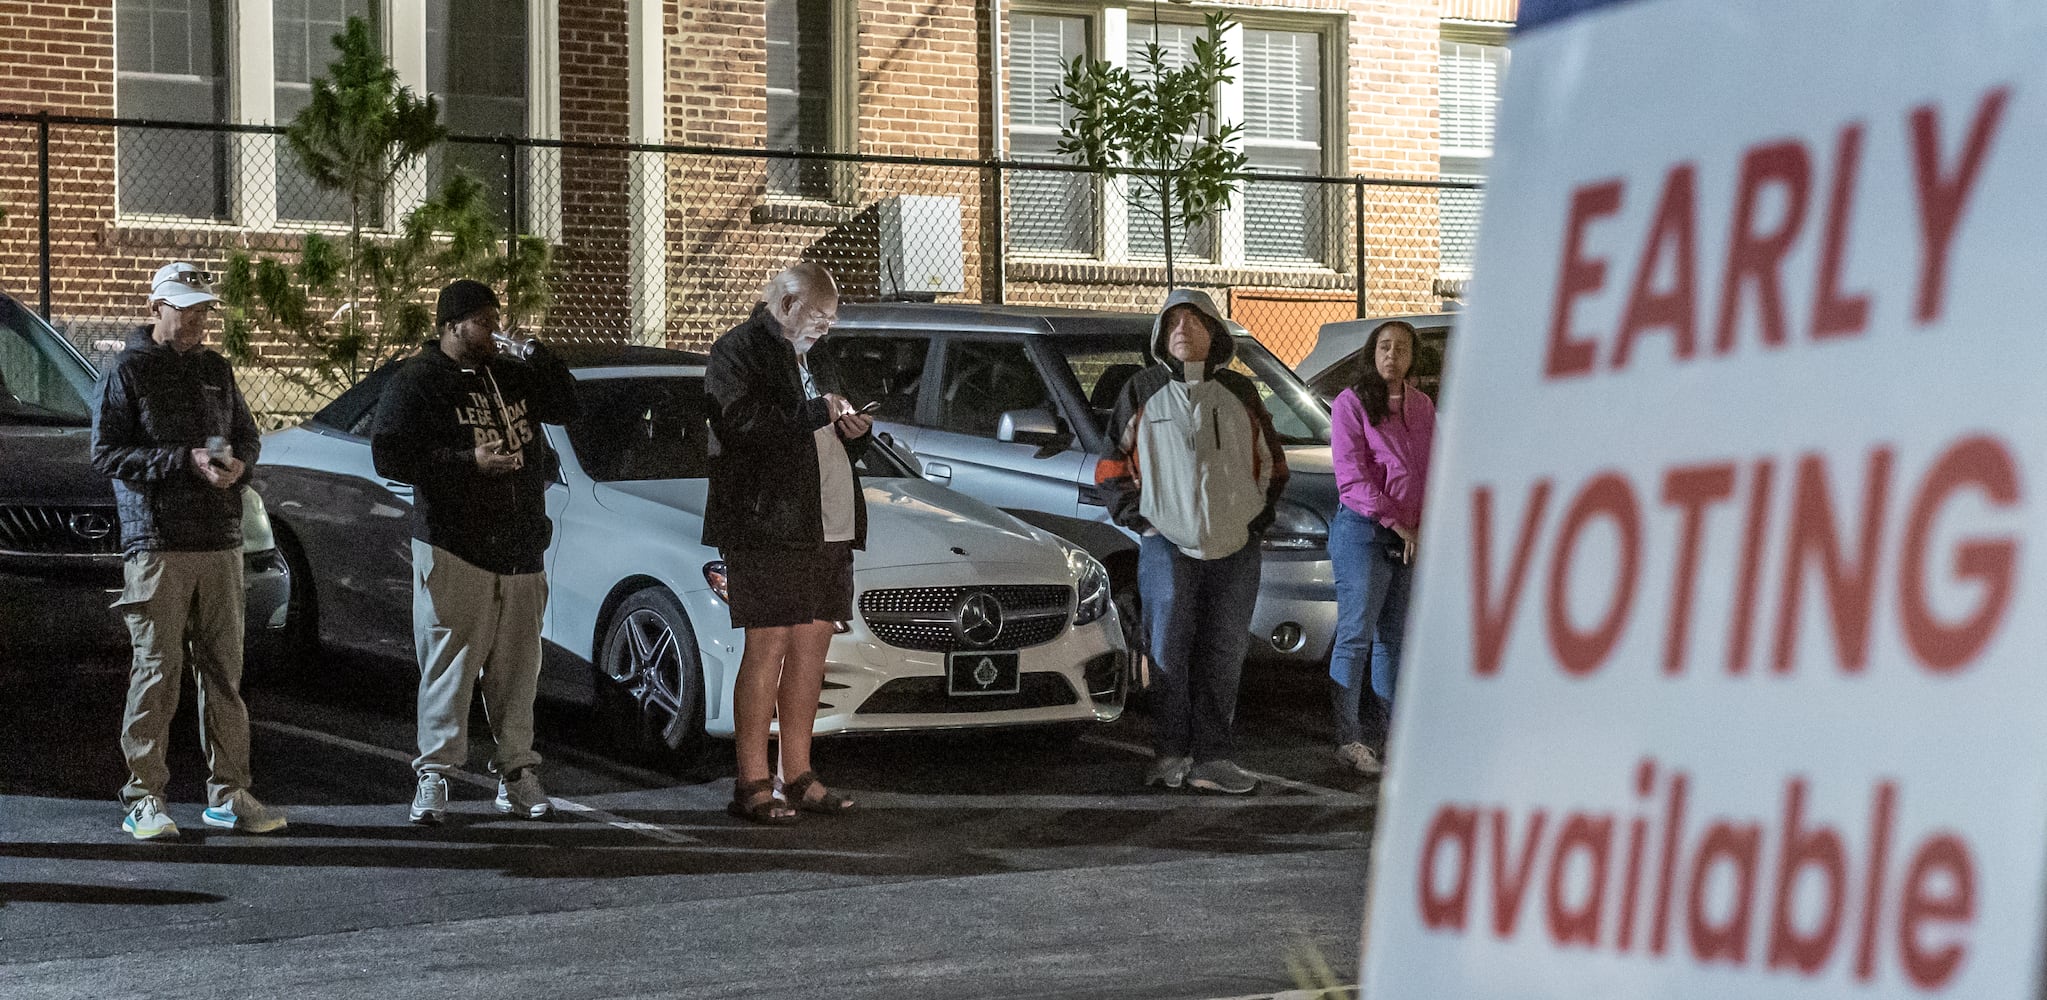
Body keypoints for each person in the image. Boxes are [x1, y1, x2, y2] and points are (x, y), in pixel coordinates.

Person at [371, 279, 580, 825]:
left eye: (496, 320)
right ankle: (434, 774)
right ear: (450, 325)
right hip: (456, 547)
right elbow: (390, 455)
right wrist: (468, 461)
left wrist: (534, 352)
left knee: (518, 672)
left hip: (520, 549)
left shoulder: (510, 374)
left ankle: (516, 774)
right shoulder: (418, 381)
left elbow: (567, 404)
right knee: (449, 665)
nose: (493, 331)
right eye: (483, 322)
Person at [92, 261, 286, 840]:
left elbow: (245, 434)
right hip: (157, 543)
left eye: (203, 308)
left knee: (225, 673)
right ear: (156, 308)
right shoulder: (125, 371)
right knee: (157, 671)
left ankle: (229, 794)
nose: (198, 318)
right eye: (186, 307)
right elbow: (105, 454)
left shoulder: (214, 369)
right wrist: (184, 460)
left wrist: (238, 464)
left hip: (220, 540)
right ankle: (143, 798)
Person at [1096, 289, 1288, 795]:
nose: (1182, 329)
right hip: (1168, 547)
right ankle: (1170, 753)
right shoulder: (1142, 391)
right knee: (1168, 652)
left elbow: (1273, 463)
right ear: (1160, 335)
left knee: (1224, 652)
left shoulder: (1242, 394)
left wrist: (1254, 523)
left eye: (1194, 321)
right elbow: (1110, 467)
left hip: (1236, 548)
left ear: (1215, 332)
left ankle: (1213, 758)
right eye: (1172, 322)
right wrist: (1145, 522)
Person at [703, 262, 872, 824]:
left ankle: (797, 773)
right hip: (767, 523)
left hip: (828, 523)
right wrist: (813, 412)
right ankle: (751, 780)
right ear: (788, 302)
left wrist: (855, 431)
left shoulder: (816, 353)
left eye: (832, 319)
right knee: (767, 646)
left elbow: (828, 429)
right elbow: (737, 425)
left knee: (811, 649)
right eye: (819, 316)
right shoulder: (738, 350)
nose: (826, 328)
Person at [1326, 320, 1434, 776]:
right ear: (1372, 352)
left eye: (1402, 347)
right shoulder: (1351, 404)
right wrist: (1396, 521)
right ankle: (1349, 738)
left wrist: (1422, 525)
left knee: (1395, 638)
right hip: (1365, 530)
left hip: (1411, 533)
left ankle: (1394, 739)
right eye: (1385, 346)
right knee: (1356, 635)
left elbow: (1431, 467)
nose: (1392, 354)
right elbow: (1352, 477)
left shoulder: (1422, 406)